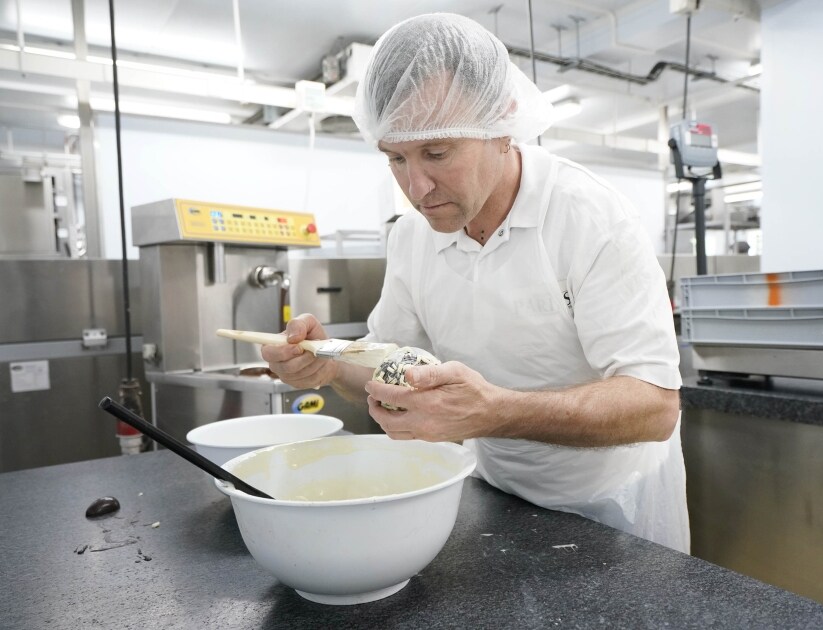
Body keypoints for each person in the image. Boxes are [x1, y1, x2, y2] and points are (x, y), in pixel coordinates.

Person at [262, 12, 689, 553]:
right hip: (497, 498)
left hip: (617, 510)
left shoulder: (589, 217)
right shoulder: (413, 238)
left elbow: (654, 405)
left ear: (502, 127)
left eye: (437, 153)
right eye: (395, 158)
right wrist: (327, 365)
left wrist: (495, 412)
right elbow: (382, 365)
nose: (416, 187)